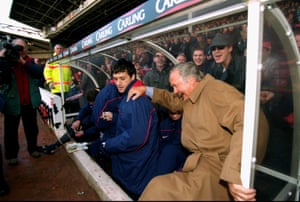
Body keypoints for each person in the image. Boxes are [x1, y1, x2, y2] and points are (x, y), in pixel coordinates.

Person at [127, 62, 269, 201]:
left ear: (191, 80)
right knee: (157, 186)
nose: (174, 91)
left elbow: (251, 121)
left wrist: (233, 172)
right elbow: (173, 101)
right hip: (202, 164)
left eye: (175, 86)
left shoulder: (215, 91)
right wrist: (146, 90)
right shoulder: (194, 94)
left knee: (160, 189)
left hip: (218, 168)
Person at [88, 59, 160, 200]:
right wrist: (115, 118)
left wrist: (108, 144)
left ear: (133, 77)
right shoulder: (129, 96)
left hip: (138, 165)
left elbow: (135, 137)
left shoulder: (135, 100)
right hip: (134, 163)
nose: (118, 83)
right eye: (115, 79)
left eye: (122, 78)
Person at [0, 38, 46, 164]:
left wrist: (22, 61)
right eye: (19, 48)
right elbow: (3, 77)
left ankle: (33, 148)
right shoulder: (6, 63)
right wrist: (2, 57)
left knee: (32, 128)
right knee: (10, 131)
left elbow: (38, 73)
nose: (22, 50)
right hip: (12, 103)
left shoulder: (29, 61)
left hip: (29, 102)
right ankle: (11, 156)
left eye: (24, 47)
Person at [39, 88, 100, 154]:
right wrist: (78, 120)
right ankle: (54, 146)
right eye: (90, 103)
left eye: (92, 103)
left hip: (95, 132)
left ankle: (53, 146)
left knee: (73, 131)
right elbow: (84, 109)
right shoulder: (92, 103)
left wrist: (84, 132)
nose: (91, 105)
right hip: (88, 126)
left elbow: (98, 127)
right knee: (73, 128)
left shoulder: (102, 108)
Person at [43, 44, 74, 111]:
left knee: (65, 106)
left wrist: (71, 80)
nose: (59, 50)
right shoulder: (51, 60)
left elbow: (69, 72)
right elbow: (47, 72)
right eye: (57, 48)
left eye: (60, 48)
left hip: (66, 88)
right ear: (54, 50)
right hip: (56, 88)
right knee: (58, 108)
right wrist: (50, 82)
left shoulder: (66, 59)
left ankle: (65, 120)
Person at [157, 110, 189, 175]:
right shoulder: (163, 125)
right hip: (165, 161)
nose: (175, 115)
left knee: (170, 150)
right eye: (172, 113)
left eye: (178, 112)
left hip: (183, 160)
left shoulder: (188, 125)